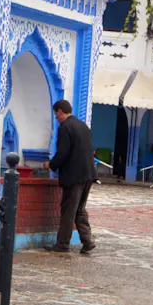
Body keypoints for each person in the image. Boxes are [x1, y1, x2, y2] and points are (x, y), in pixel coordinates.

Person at [46, 100, 96, 255]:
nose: (57, 118)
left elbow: (63, 153)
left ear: (60, 111)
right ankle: (87, 241)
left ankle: (62, 244)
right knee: (80, 209)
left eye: (56, 115)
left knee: (69, 210)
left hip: (74, 176)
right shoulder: (83, 126)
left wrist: (50, 165)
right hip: (88, 174)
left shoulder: (65, 127)